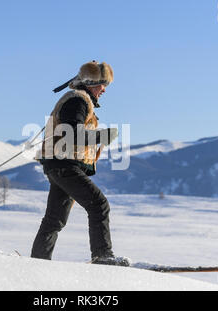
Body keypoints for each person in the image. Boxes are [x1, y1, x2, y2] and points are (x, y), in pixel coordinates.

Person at [31, 61, 128, 266]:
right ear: (91, 83)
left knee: (54, 220)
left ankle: (37, 264)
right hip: (65, 164)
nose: (104, 90)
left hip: (58, 164)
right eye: (102, 84)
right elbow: (71, 134)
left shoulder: (77, 100)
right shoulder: (78, 101)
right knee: (99, 205)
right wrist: (101, 136)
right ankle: (102, 255)